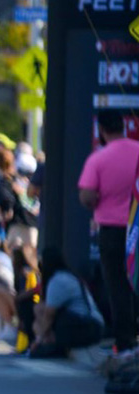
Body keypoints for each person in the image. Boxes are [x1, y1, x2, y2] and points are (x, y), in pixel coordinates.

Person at [78, 109, 139, 359]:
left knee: (117, 285)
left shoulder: (98, 159)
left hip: (113, 230)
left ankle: (125, 342)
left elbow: (87, 196)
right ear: (124, 126)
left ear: (101, 130)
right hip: (136, 225)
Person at [29, 247, 105, 358]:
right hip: (90, 324)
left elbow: (49, 314)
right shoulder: (66, 276)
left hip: (88, 326)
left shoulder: (58, 281)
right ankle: (48, 343)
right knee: (38, 312)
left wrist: (40, 338)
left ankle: (49, 344)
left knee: (45, 317)